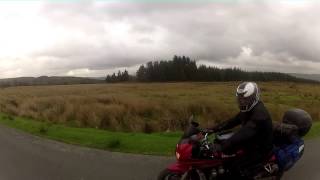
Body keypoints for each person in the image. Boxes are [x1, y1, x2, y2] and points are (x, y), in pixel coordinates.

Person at [209, 82, 273, 178]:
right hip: (252, 141)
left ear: (254, 97)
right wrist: (211, 129)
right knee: (224, 158)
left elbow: (244, 133)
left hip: (260, 148)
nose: (242, 102)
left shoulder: (260, 114)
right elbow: (232, 121)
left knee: (235, 167)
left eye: (245, 99)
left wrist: (223, 146)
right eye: (240, 99)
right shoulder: (248, 110)